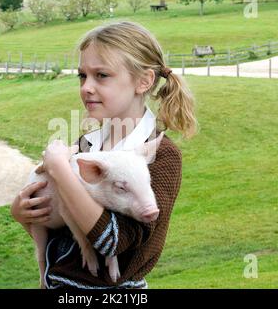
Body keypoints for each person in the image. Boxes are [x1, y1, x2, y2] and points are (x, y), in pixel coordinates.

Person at [11, 21, 198, 289]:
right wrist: (24, 215)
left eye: (101, 75)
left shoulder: (161, 156)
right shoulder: (87, 145)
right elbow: (66, 239)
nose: (86, 87)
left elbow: (114, 241)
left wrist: (60, 171)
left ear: (143, 81)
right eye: (82, 76)